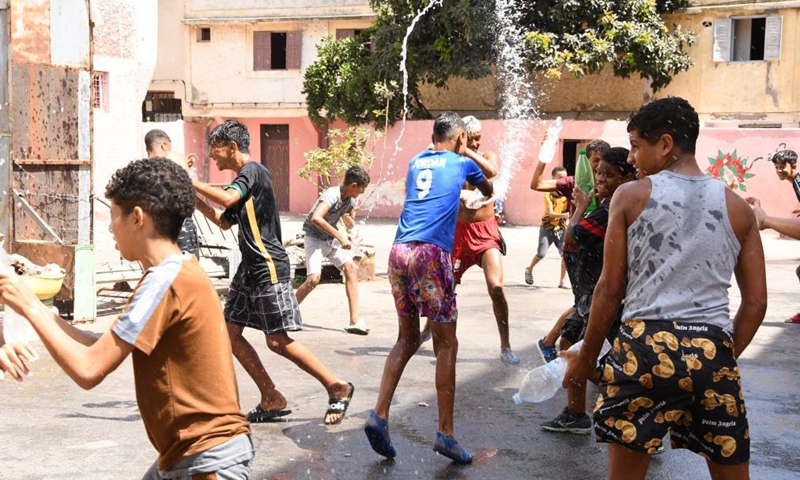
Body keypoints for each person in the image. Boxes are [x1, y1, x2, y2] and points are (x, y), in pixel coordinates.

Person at [0, 158, 255, 478]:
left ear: (137, 218)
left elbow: (89, 369)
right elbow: (105, 345)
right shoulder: (181, 269)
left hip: (206, 460)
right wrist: (48, 317)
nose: (110, 227)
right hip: (192, 455)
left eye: (114, 215)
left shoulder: (163, 282)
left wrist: (29, 305)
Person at [564, 97, 766, 480]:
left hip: (644, 350)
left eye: (637, 147)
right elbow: (755, 302)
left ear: (666, 144)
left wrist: (586, 358)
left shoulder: (630, 196)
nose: (634, 159)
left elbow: (609, 288)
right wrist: (714, 357)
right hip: (712, 349)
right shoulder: (737, 207)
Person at [192, 120, 354, 425]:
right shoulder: (242, 184)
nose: (213, 159)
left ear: (232, 147)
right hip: (249, 269)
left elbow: (226, 198)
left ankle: (337, 386)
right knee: (229, 334)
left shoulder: (253, 171)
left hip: (268, 266)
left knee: (277, 341)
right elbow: (223, 220)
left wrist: (190, 181)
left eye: (215, 152)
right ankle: (271, 397)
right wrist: (195, 200)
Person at [364, 112, 493, 464]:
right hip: (430, 254)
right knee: (446, 343)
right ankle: (446, 434)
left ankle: (379, 415)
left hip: (399, 251)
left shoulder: (415, 161)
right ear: (461, 139)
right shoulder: (460, 161)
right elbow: (490, 186)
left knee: (406, 338)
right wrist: (466, 154)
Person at [541, 147, 636, 435]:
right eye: (598, 172)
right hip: (587, 293)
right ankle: (575, 413)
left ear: (627, 177)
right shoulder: (607, 204)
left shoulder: (609, 209)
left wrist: (580, 207)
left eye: (609, 174)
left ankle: (635, 409)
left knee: (590, 358)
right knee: (569, 342)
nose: (600, 178)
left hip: (601, 293)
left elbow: (572, 237)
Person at [421, 115, 518, 365]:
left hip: (485, 232)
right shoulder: (451, 162)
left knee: (496, 287)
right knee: (444, 288)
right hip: (457, 234)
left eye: (478, 139)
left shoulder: (486, 156)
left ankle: (505, 345)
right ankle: (429, 329)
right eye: (470, 139)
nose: (475, 144)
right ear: (461, 136)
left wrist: (467, 151)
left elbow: (491, 171)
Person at [531, 140, 609, 363]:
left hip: (596, 248)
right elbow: (536, 184)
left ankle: (564, 343)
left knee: (589, 300)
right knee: (584, 301)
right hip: (575, 248)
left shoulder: (609, 184)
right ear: (586, 161)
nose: (598, 169)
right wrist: (545, 154)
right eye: (595, 162)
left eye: (602, 163)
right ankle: (552, 342)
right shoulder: (574, 183)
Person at [295, 166, 370, 335]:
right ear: (353, 185)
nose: (363, 192)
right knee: (313, 280)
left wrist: (349, 221)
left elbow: (348, 215)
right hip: (314, 239)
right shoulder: (331, 194)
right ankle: (287, 310)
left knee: (350, 268)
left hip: (330, 240)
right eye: (362, 188)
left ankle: (354, 320)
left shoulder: (351, 200)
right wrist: (341, 236)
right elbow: (316, 218)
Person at [144, 129, 199, 258]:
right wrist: (186, 168)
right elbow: (191, 188)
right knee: (187, 272)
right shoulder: (174, 159)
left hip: (155, 231)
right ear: (164, 145)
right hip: (180, 228)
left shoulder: (144, 170)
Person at [767, 149, 800, 323]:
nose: (779, 171)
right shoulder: (796, 181)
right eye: (777, 167)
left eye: (782, 167)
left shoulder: (798, 180)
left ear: (793, 166)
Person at [525, 166, 569, 287]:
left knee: (565, 255)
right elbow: (550, 213)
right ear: (553, 179)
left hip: (561, 228)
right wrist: (565, 215)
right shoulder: (548, 194)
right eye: (560, 178)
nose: (563, 180)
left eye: (565, 178)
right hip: (547, 228)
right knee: (541, 253)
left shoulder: (567, 194)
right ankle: (529, 269)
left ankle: (562, 281)